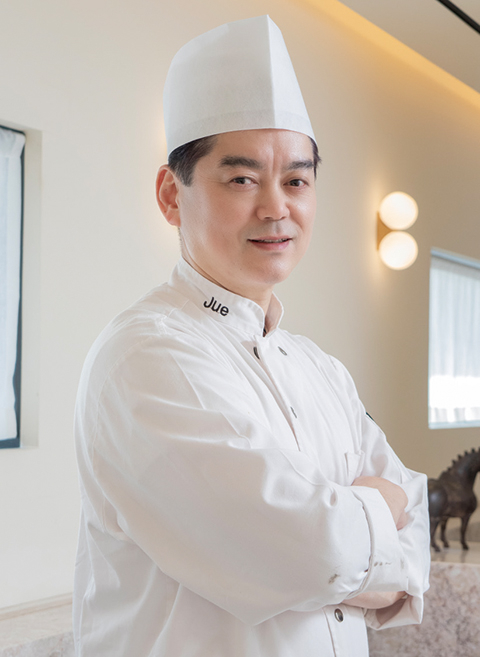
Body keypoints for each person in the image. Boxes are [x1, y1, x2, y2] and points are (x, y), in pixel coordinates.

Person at [73, 15, 430, 657]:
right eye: (241, 179)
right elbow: (311, 552)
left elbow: (411, 531)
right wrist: (365, 522)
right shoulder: (144, 357)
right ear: (171, 194)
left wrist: (345, 533)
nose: (276, 208)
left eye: (296, 180)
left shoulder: (321, 369)